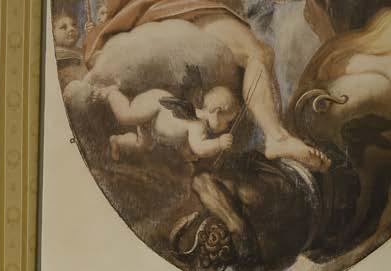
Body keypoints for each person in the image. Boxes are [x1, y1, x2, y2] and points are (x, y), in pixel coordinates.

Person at [83, 0, 330, 171]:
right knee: (257, 53)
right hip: (178, 7)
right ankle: (276, 137)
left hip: (196, 7)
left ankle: (277, 134)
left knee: (262, 53)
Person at [100, 82, 240, 161]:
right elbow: (199, 148)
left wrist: (186, 154)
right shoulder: (198, 124)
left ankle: (117, 141)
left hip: (153, 126)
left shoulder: (199, 125)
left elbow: (184, 142)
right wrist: (218, 143)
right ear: (217, 112)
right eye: (227, 122)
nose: (226, 127)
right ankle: (112, 92)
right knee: (126, 116)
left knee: (141, 146)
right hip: (156, 106)